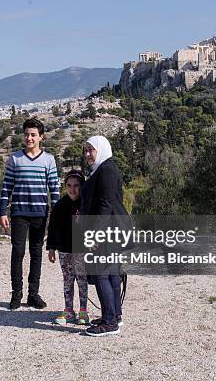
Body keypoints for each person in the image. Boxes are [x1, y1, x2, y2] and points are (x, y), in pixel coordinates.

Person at [0, 118, 60, 310]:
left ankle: (33, 294)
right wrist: (2, 211)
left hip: (40, 213)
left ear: (41, 137)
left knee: (36, 253)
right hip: (19, 212)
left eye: (33, 134)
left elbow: (54, 189)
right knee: (17, 253)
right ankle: (16, 293)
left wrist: (56, 216)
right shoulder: (15, 158)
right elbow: (7, 186)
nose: (29, 138)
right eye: (26, 134)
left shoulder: (49, 159)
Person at [80, 135, 128, 337]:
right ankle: (114, 315)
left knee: (101, 273)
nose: (88, 154)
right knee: (111, 273)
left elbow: (106, 204)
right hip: (113, 228)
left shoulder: (106, 170)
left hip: (108, 229)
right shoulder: (104, 168)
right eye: (86, 150)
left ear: (101, 149)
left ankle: (109, 323)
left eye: (91, 150)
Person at [47, 170, 89, 325]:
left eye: (76, 186)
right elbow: (52, 228)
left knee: (82, 279)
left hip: (82, 249)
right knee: (68, 280)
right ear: (65, 186)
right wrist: (51, 248)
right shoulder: (59, 205)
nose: (73, 189)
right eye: (69, 185)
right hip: (64, 249)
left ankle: (83, 311)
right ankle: (68, 310)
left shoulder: (86, 204)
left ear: (82, 186)